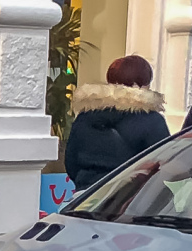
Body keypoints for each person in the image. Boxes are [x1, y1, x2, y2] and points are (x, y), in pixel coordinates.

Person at [63, 55, 172, 189]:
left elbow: (71, 162)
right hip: (129, 200)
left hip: (87, 197)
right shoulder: (151, 120)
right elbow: (163, 165)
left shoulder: (85, 116)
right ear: (143, 84)